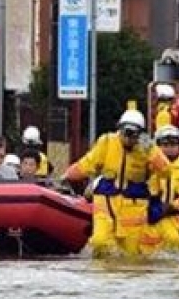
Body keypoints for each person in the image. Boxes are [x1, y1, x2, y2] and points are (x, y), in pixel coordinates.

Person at [62, 107, 170, 257]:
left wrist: (151, 149)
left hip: (134, 204)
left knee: (131, 253)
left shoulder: (147, 149)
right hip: (106, 200)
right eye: (126, 132)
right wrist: (68, 175)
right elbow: (88, 163)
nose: (128, 137)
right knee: (100, 241)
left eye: (134, 134)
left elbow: (165, 170)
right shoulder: (107, 142)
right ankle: (103, 276)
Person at [140, 125, 179, 255]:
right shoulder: (149, 167)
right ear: (158, 146)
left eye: (174, 144)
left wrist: (173, 206)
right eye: (165, 144)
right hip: (155, 217)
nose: (169, 148)